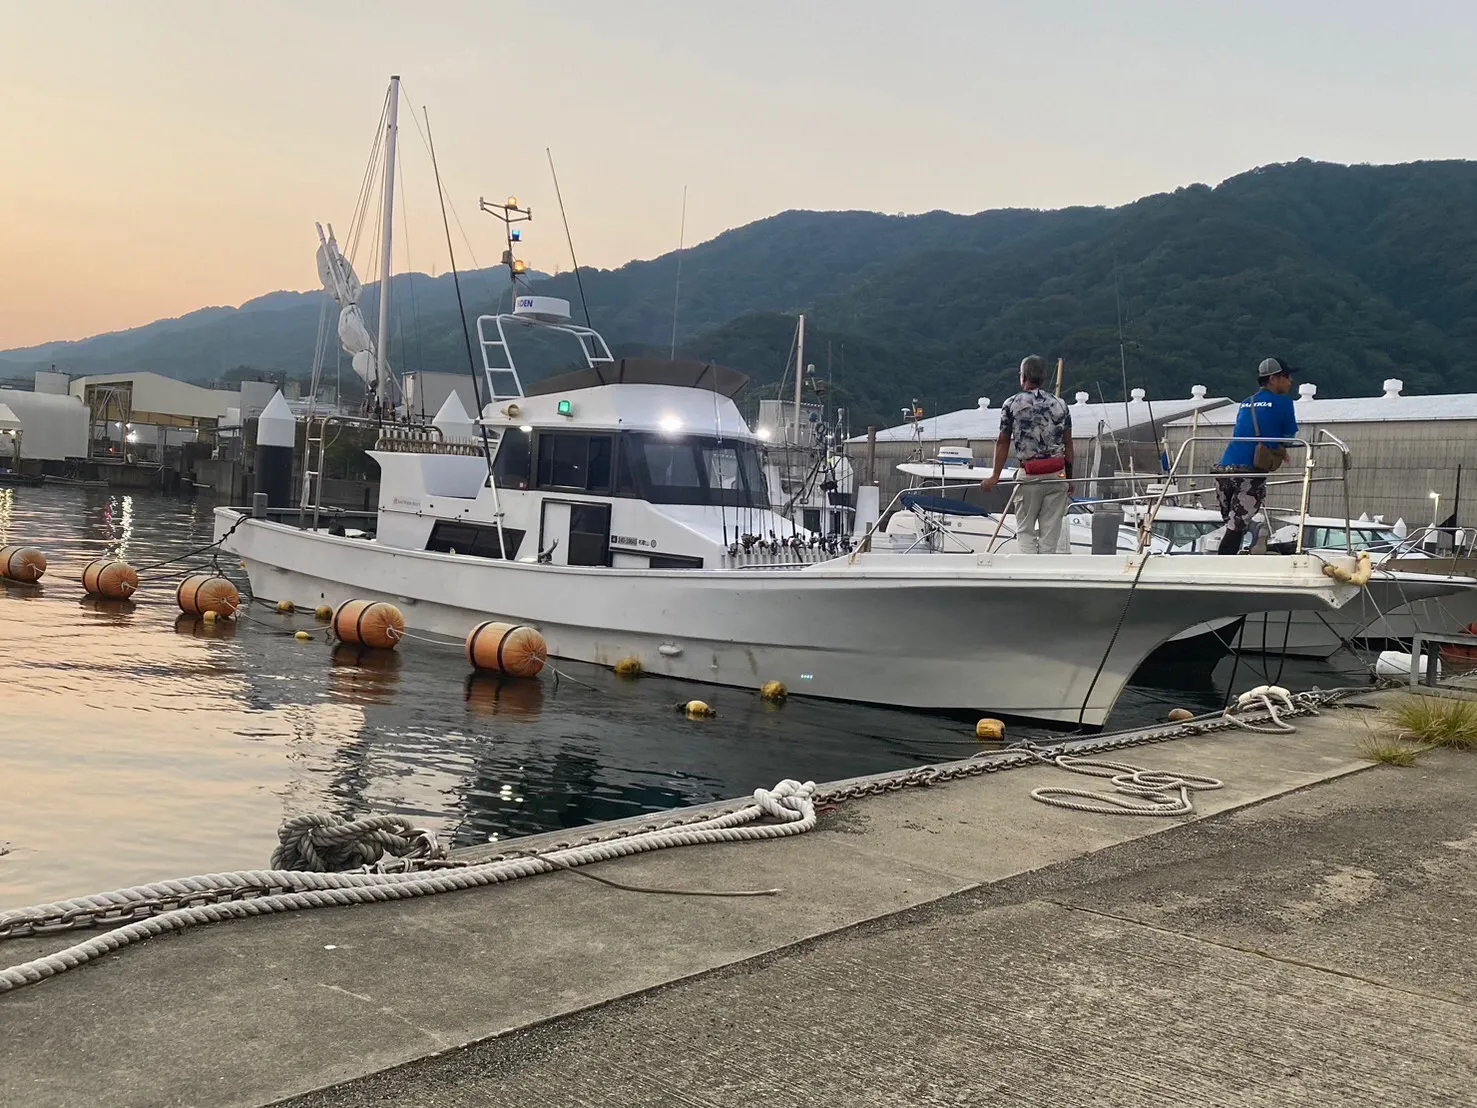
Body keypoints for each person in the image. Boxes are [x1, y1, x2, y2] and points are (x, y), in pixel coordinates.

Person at [980, 355, 1073, 554]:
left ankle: (1029, 571)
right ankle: (1045, 575)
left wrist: (995, 476)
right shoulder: (1061, 404)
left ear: (1023, 377)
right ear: (1043, 377)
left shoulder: (1011, 404)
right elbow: (1068, 443)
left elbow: (1003, 441)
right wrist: (1071, 478)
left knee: (1025, 530)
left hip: (1029, 473)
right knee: (1051, 533)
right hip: (1057, 473)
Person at [1212, 357, 1299, 555]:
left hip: (1225, 469)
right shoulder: (1284, 403)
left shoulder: (1246, 403)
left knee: (1232, 523)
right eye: (1287, 377)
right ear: (1274, 379)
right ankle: (1225, 564)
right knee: (1236, 527)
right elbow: (1289, 438)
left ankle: (1249, 543)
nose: (1290, 381)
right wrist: (1281, 449)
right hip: (1249, 472)